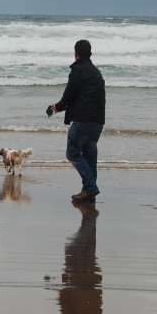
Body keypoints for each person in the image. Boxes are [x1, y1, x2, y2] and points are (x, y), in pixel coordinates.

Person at [50, 39, 105, 202]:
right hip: (98, 121)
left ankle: (90, 187)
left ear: (76, 54)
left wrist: (58, 107)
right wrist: (63, 107)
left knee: (73, 152)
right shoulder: (96, 72)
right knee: (89, 153)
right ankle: (89, 191)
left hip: (83, 120)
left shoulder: (79, 70)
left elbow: (70, 93)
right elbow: (84, 97)